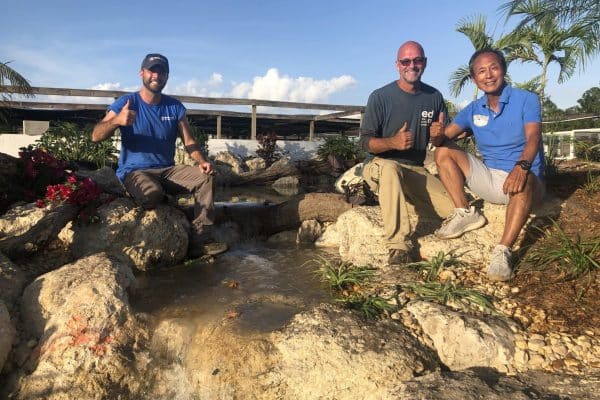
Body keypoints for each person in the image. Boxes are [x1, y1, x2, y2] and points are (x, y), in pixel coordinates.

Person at [92, 53, 226, 258]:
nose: (157, 75)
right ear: (142, 73)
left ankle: (201, 237)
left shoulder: (175, 107)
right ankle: (148, 194)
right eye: (152, 70)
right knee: (151, 195)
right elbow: (95, 136)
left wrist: (202, 162)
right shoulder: (126, 102)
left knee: (206, 178)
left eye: (162, 72)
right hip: (135, 171)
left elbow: (189, 142)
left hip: (167, 170)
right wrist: (116, 121)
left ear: (167, 77)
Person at [431, 48, 545, 281]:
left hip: (526, 177)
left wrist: (521, 167)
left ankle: (502, 251)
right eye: (481, 71)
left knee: (523, 184)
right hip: (491, 178)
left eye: (494, 67)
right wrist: (435, 136)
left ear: (503, 70)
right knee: (443, 151)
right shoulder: (473, 109)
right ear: (474, 79)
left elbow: (534, 137)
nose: (489, 75)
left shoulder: (526, 99)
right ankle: (464, 212)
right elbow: (444, 139)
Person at [358, 40, 455, 265]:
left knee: (451, 209)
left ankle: (404, 201)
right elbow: (364, 142)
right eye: (406, 61)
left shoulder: (434, 97)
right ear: (397, 65)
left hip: (415, 169)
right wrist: (392, 142)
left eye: (417, 60)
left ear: (425, 63)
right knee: (391, 168)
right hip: (381, 165)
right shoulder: (380, 97)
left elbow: (441, 138)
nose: (412, 65)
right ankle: (398, 246)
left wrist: (438, 136)